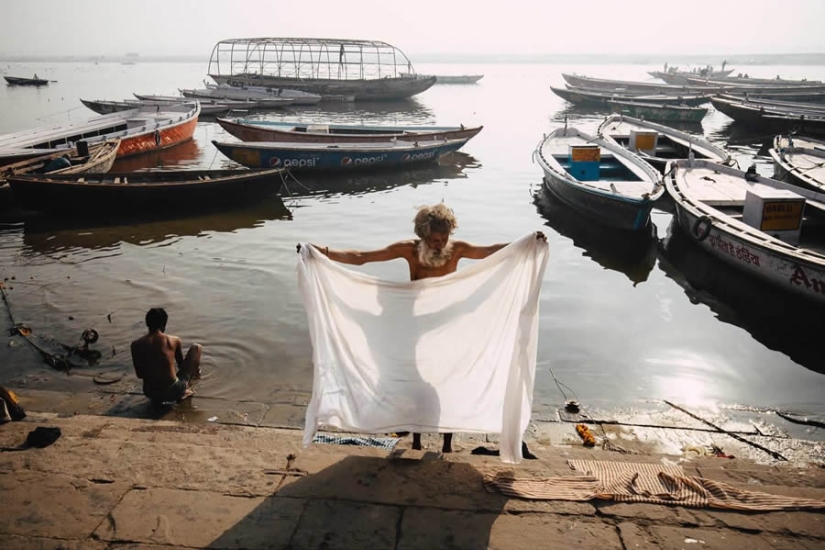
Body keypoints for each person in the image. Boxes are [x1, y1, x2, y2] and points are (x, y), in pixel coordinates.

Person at [309, 203, 546, 452]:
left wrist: (527, 242)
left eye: (444, 238)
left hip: (448, 325)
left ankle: (446, 445)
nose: (440, 244)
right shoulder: (409, 251)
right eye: (434, 239)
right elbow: (362, 257)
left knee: (448, 381)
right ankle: (417, 440)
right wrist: (321, 252)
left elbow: (491, 252)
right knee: (415, 382)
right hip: (416, 327)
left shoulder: (456, 250)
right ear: (423, 235)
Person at [131, 308, 202, 405]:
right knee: (196, 347)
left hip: (150, 392)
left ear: (147, 323)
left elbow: (139, 375)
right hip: (172, 391)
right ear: (164, 324)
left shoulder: (135, 344)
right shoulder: (173, 340)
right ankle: (184, 390)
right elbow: (182, 367)